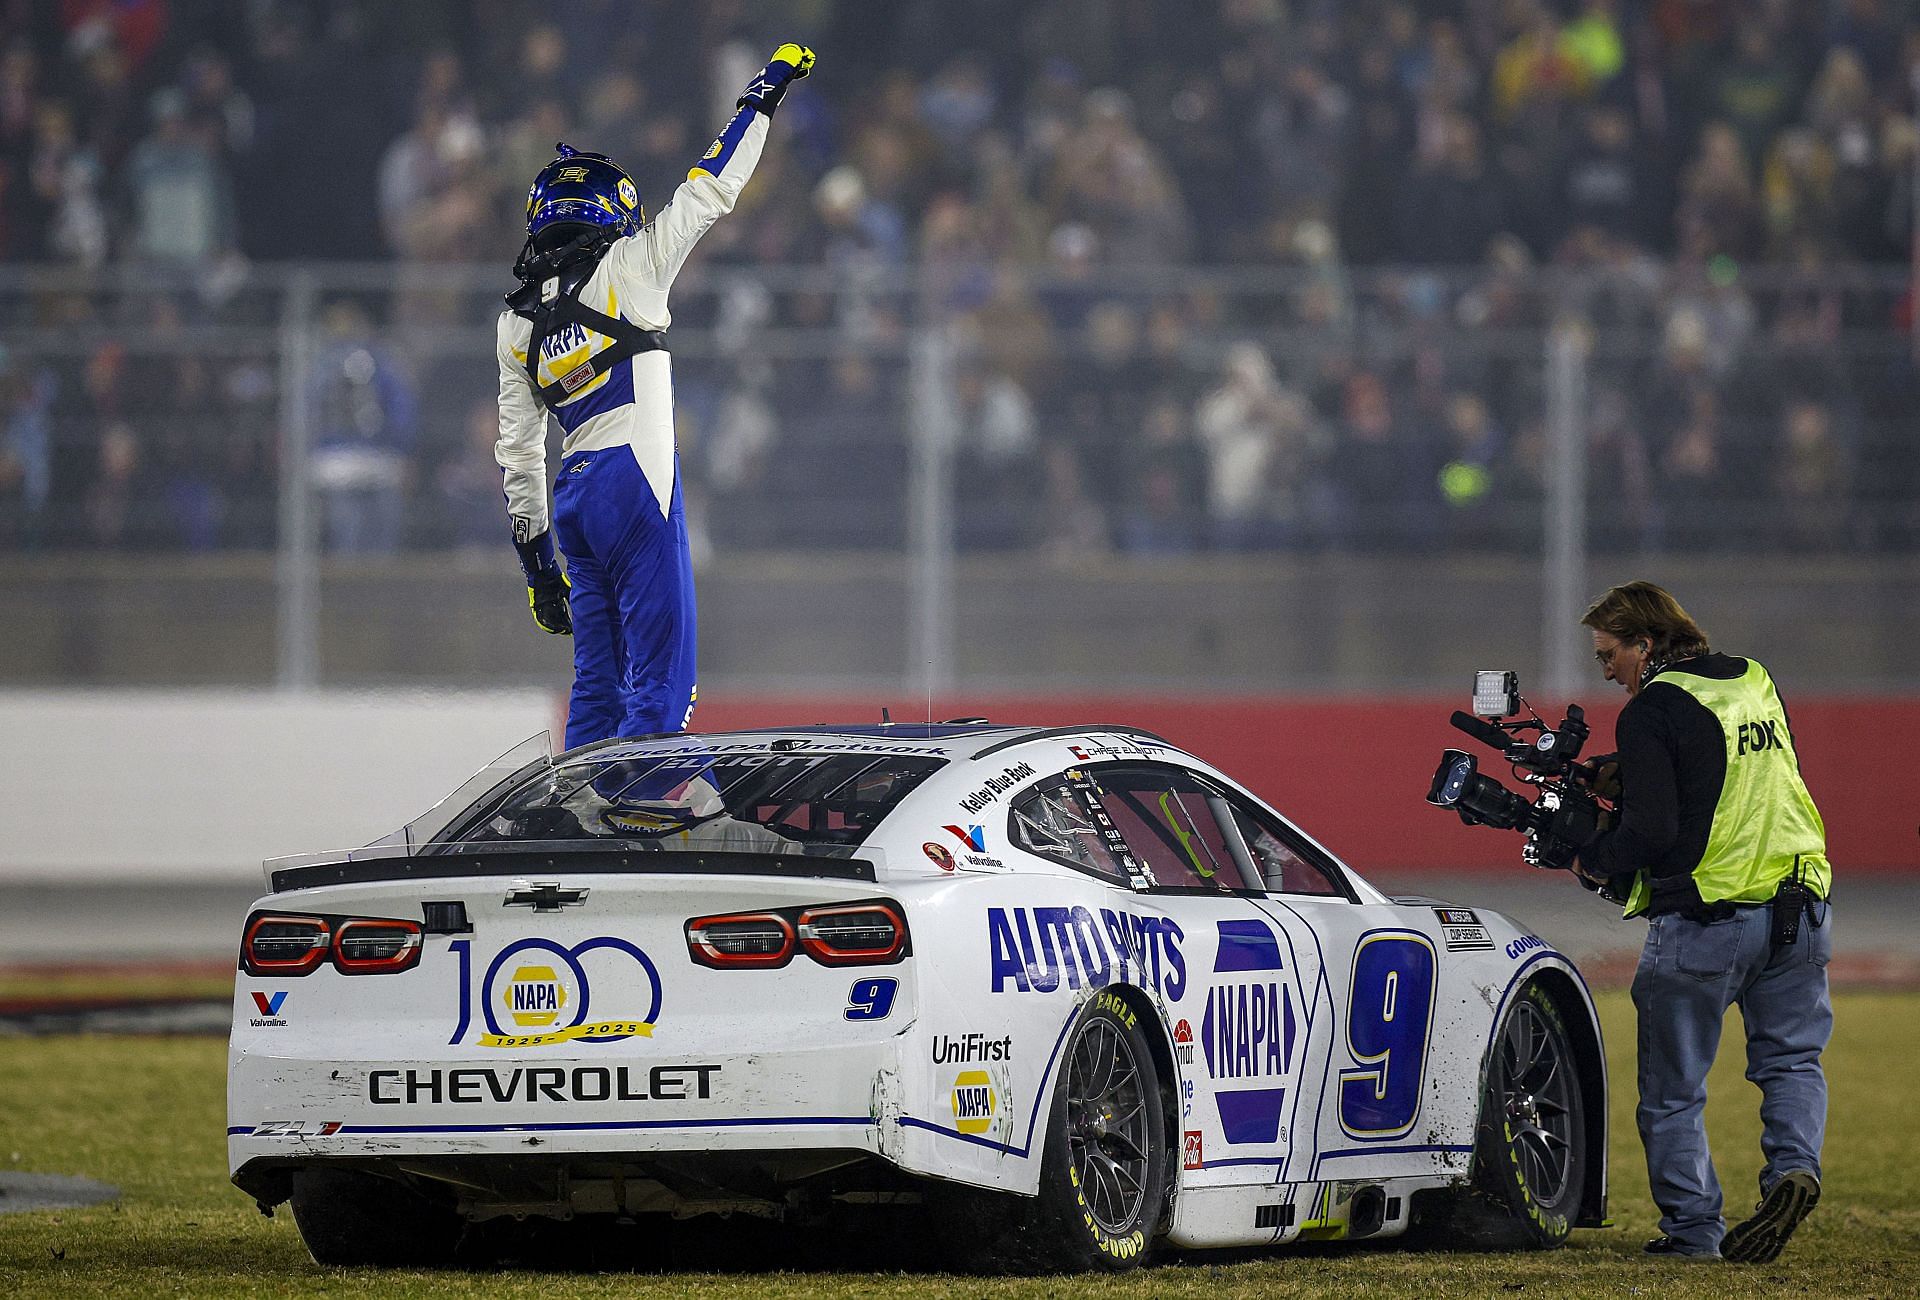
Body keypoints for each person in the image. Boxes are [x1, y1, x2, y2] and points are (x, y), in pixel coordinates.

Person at [495, 43, 815, 749]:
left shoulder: (515, 323)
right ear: (612, 211)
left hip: (573, 500)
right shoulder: (631, 267)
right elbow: (710, 189)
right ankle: (646, 815)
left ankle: (582, 815)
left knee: (597, 684)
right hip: (635, 483)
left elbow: (519, 457)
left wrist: (539, 572)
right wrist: (759, 100)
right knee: (664, 685)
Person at [1575, 581, 1831, 1263]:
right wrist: (1626, 771)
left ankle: (1693, 1232)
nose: (1607, 672)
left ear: (1646, 644)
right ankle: (1792, 1172)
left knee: (1671, 1092)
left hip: (1707, 918)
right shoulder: (1752, 678)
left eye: (1610, 656)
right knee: (1791, 1062)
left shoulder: (1651, 709)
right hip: (1800, 904)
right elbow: (1734, 770)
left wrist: (1599, 857)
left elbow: (1655, 827)